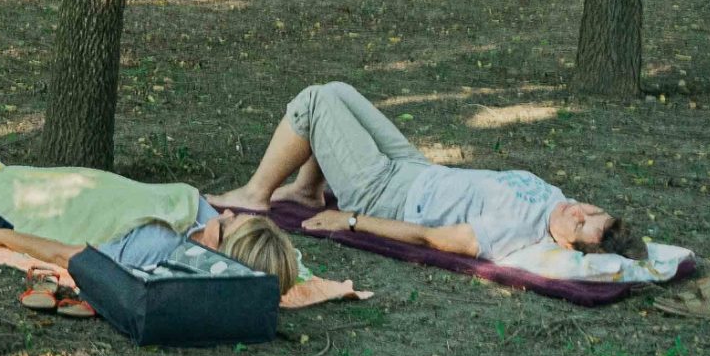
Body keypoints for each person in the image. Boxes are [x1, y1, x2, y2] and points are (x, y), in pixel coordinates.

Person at [215, 81, 641, 262]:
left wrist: (350, 219)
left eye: (583, 224)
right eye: (591, 209)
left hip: (389, 195)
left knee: (314, 103)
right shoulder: (555, 200)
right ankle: (308, 188)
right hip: (416, 167)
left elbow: (432, 238)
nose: (578, 210)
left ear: (569, 247)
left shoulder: (516, 231)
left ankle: (256, 194)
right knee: (338, 92)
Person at [0, 142, 301, 293]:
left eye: (234, 224)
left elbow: (78, 255)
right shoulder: (200, 222)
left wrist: (11, 240)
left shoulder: (161, 248)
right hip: (73, 187)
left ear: (222, 257)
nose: (231, 213)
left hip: (47, 213)